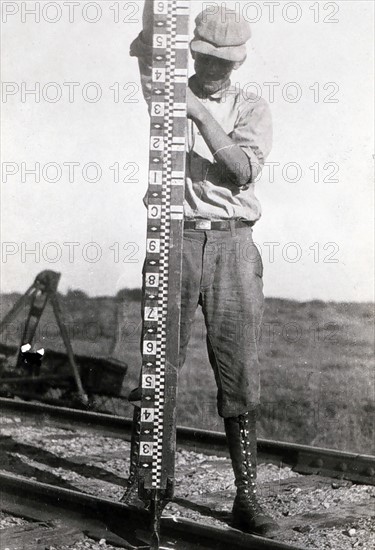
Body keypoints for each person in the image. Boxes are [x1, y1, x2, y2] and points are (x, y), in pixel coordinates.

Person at [124, 0, 278, 537]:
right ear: (192, 52)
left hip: (233, 248)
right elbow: (147, 48)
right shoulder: (166, 88)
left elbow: (240, 171)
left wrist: (197, 113)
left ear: (238, 63)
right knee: (157, 365)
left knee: (239, 371)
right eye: (206, 59)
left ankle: (248, 495)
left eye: (224, 62)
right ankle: (146, 484)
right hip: (175, 240)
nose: (214, 69)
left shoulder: (251, 107)